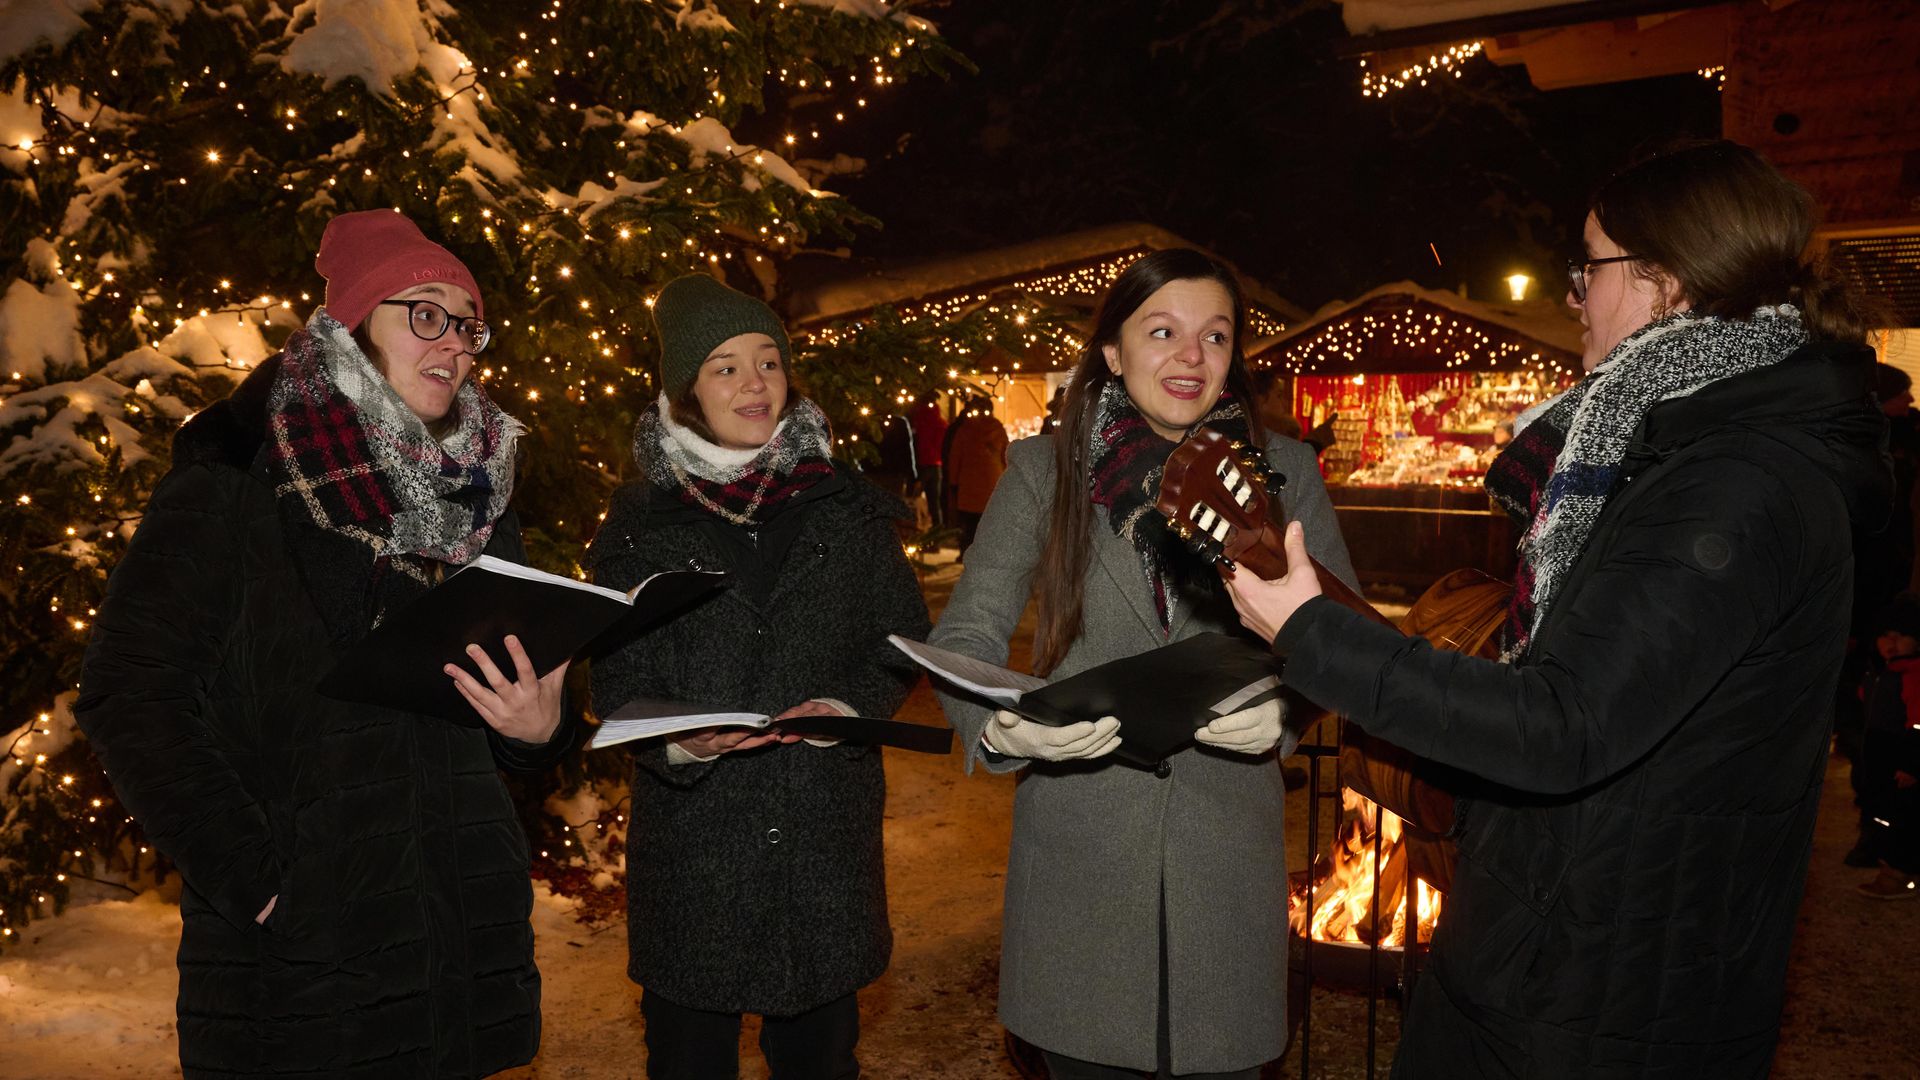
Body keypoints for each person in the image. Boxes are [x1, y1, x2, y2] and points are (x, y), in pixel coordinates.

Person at [1222, 140, 1888, 1076]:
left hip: (1606, 998)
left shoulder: (1738, 482)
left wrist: (1312, 633)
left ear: (1667, 279)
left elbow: (1564, 724)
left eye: (1592, 265)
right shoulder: (1668, 447)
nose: (1575, 294)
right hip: (1563, 954)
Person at [75, 209, 573, 1078]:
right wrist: (263, 882)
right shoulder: (235, 484)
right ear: (348, 326)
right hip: (302, 971)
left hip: (457, 940)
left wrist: (536, 732)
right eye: (423, 312)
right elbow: (129, 691)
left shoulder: (479, 498)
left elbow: (498, 704)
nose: (453, 342)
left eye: (467, 323)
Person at [927, 249, 1357, 1078]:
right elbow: (966, 637)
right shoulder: (1041, 474)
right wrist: (1006, 730)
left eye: (1215, 336)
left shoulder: (1285, 475)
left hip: (1225, 863)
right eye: (1163, 332)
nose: (1191, 357)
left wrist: (1288, 711)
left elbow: (1340, 641)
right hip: (1081, 869)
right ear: (1114, 353)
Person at [588, 273, 931, 1079]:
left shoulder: (847, 507)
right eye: (725, 366)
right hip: (696, 847)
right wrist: (684, 742)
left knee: (821, 1061)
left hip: (822, 834)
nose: (754, 383)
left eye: (768, 361)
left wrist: (848, 703)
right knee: (689, 1062)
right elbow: (616, 680)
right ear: (686, 393)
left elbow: (901, 634)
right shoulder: (639, 524)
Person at [1855, 592, 1920, 899]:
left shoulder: (1913, 673)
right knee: (1882, 813)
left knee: (1900, 818)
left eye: (1901, 636)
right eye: (1884, 635)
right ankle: (1885, 859)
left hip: (1901, 761)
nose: (1891, 642)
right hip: (1880, 758)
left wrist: (1912, 764)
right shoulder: (1880, 671)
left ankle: (1898, 875)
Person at [945, 394, 1010, 554]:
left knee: (968, 523)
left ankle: (965, 552)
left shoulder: (965, 430)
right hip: (992, 483)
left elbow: (955, 457)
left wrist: (953, 482)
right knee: (989, 522)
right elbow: (1006, 456)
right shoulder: (997, 429)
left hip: (968, 484)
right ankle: (987, 553)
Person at [909, 389, 948, 528]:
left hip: (921, 465)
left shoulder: (918, 420)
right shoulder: (941, 423)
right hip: (936, 465)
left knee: (913, 499)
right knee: (934, 502)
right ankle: (937, 534)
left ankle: (914, 533)